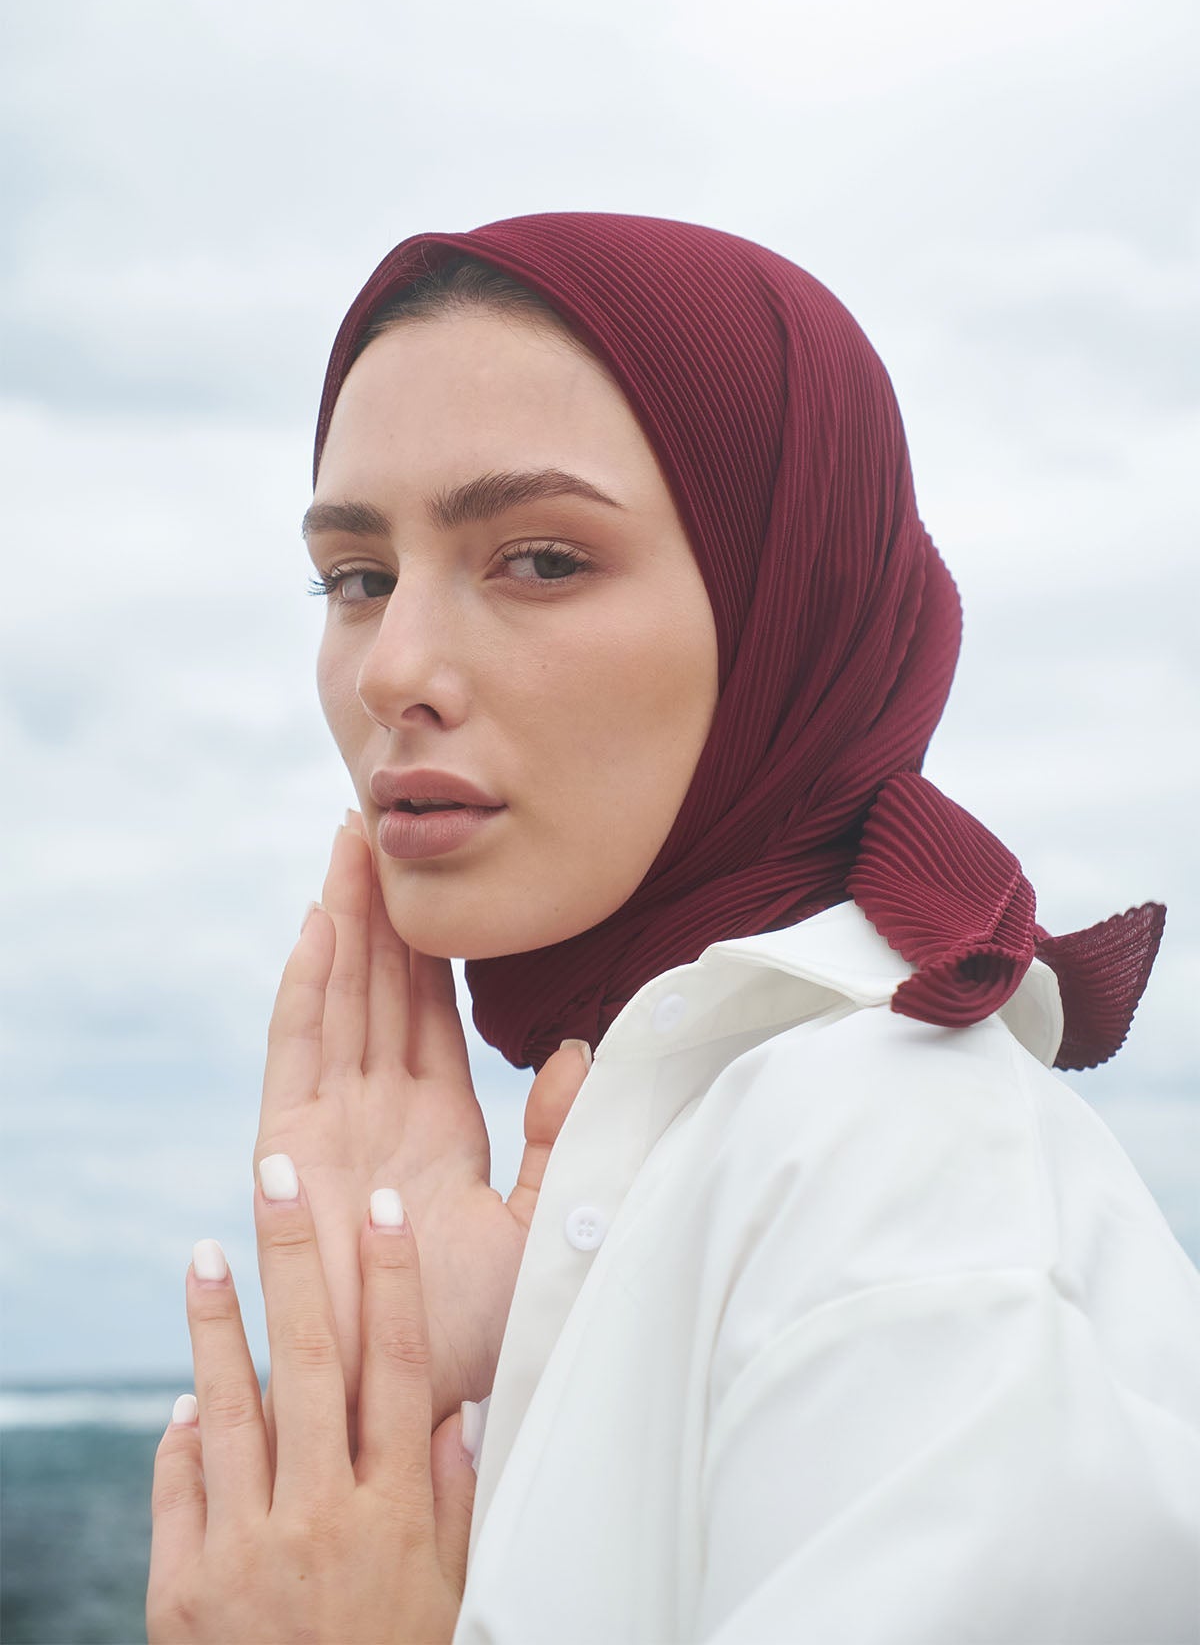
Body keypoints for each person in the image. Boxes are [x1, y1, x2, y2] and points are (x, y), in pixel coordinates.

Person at [147, 213, 1200, 1644]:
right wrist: (455, 1399)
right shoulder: (701, 1153)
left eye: (539, 560)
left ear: (793, 604)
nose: (393, 669)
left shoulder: (902, 1171)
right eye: (356, 577)